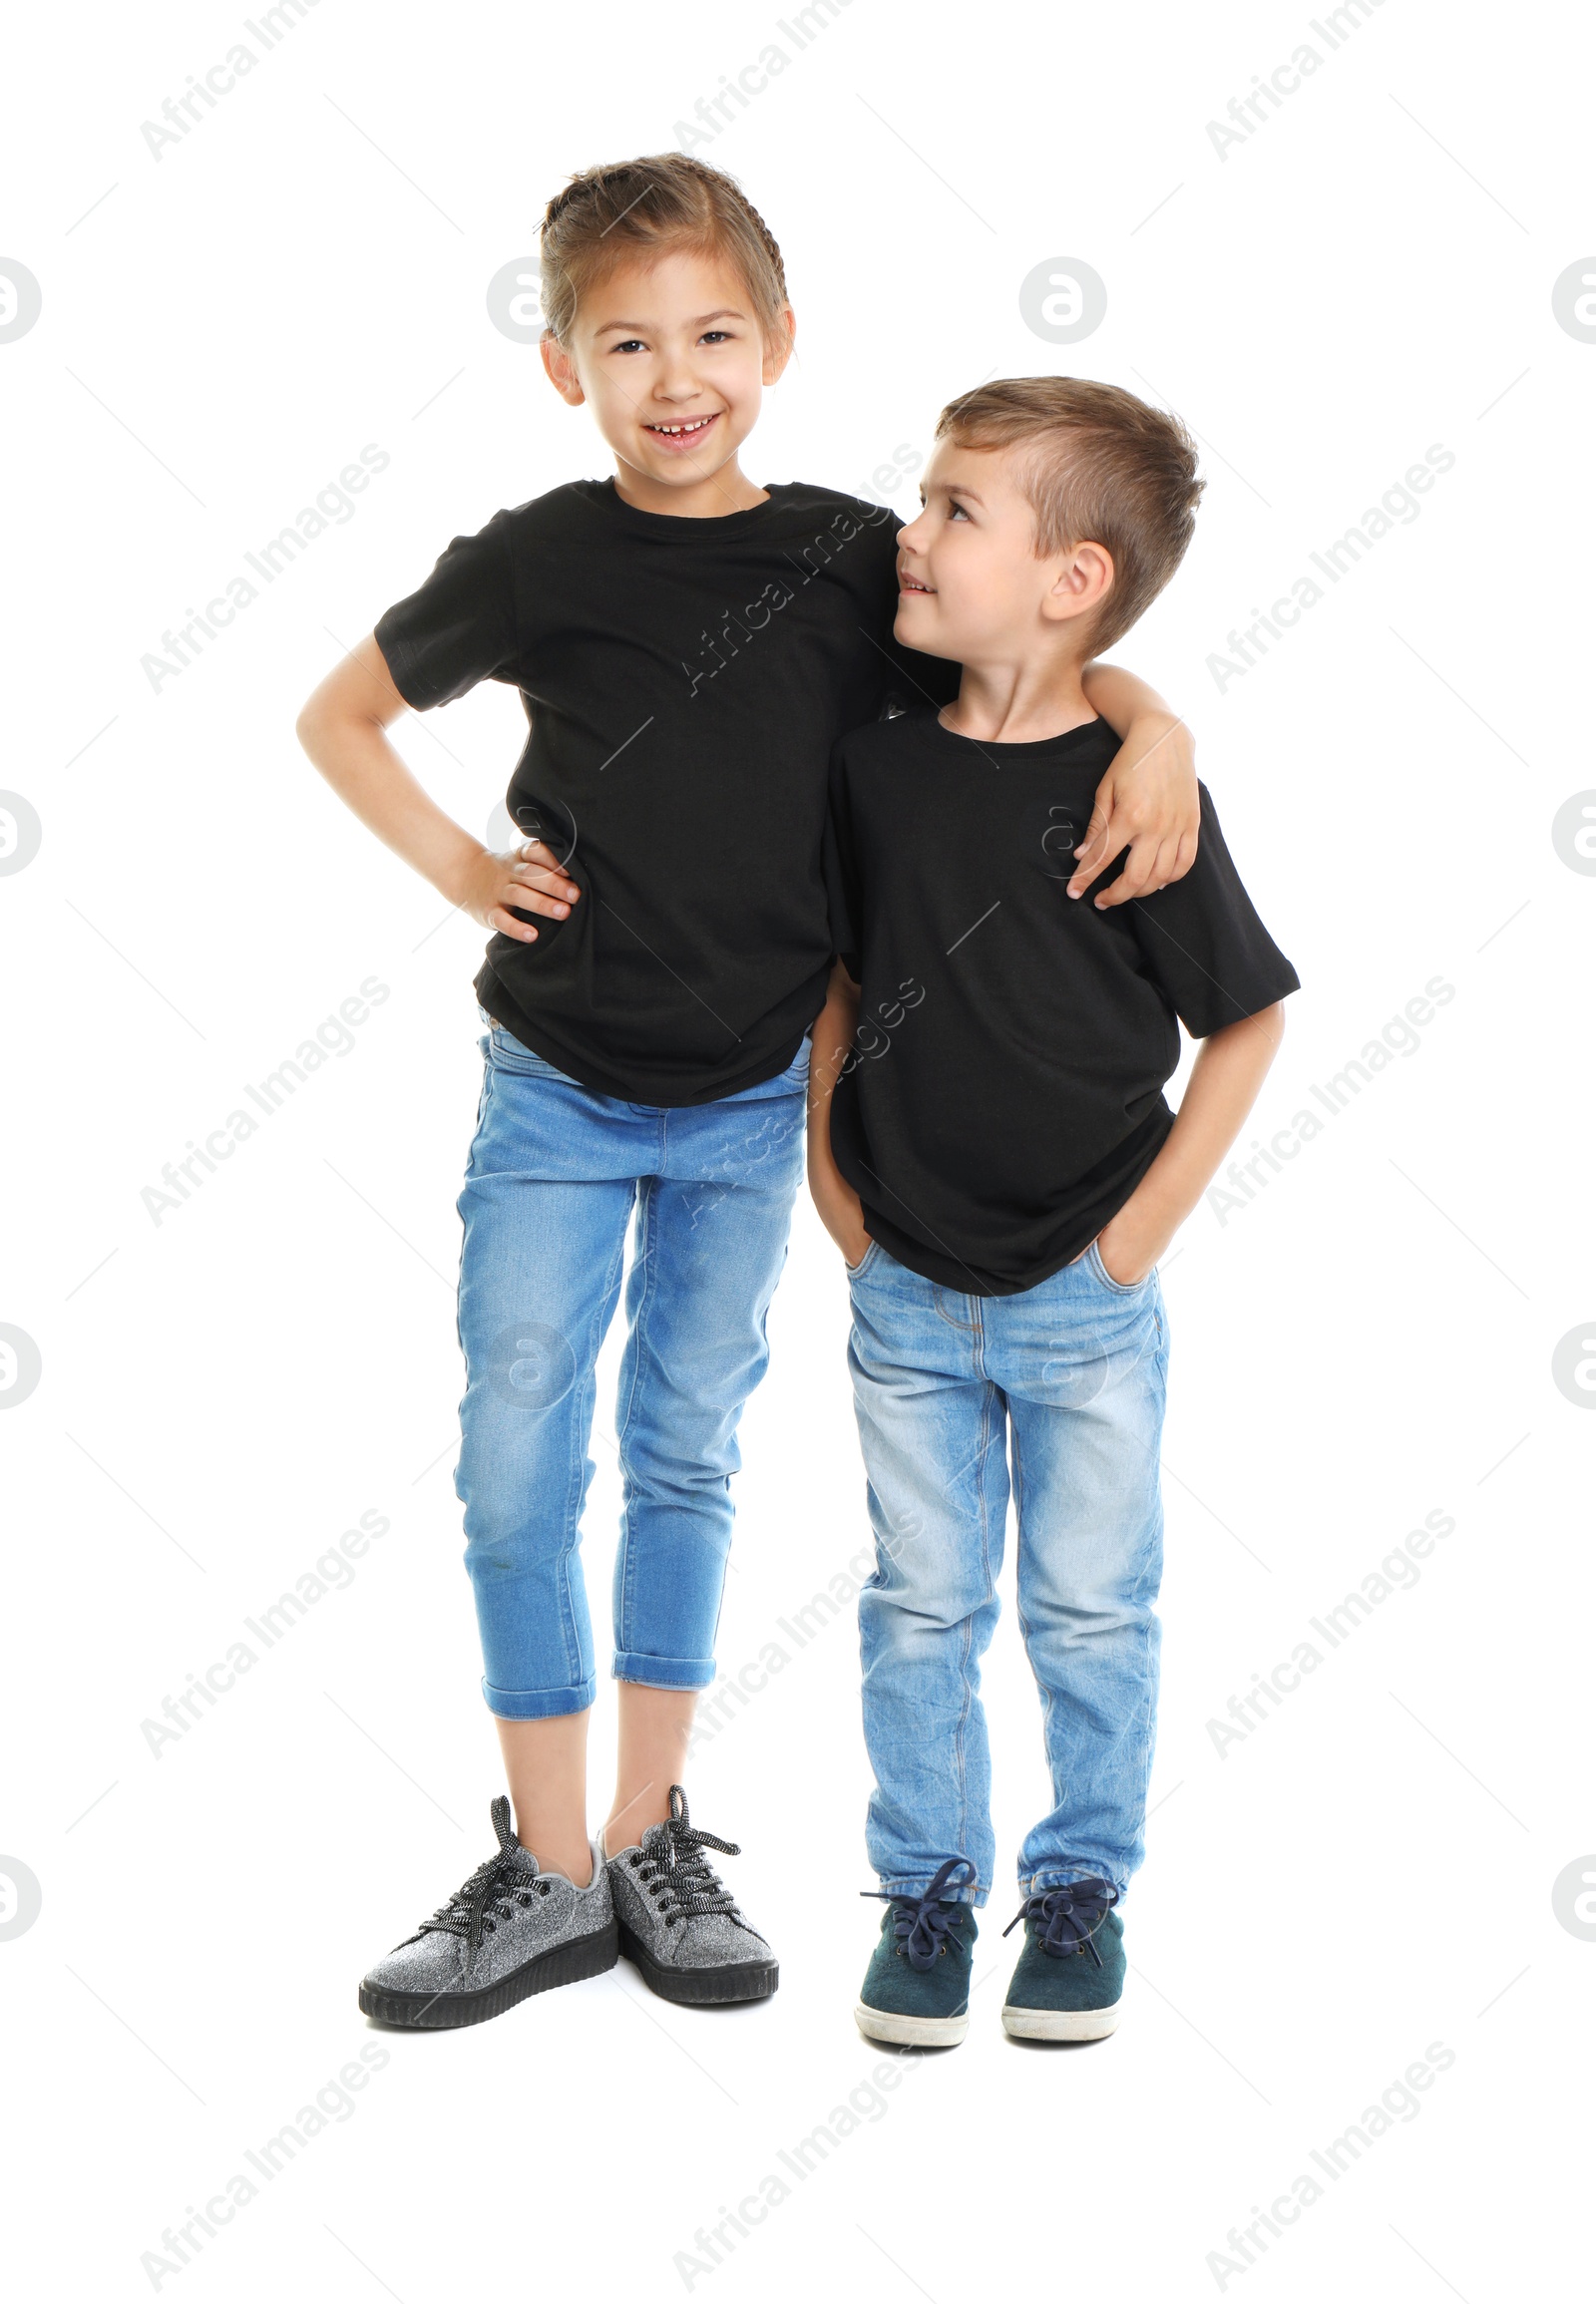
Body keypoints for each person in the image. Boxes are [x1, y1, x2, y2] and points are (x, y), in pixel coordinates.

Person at [297, 157, 1201, 2030]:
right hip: (556, 1084)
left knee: (689, 1451)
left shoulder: (848, 557)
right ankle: (546, 1868)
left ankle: (648, 1828)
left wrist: (1163, 722)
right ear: (564, 366)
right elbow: (341, 715)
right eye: (624, 341)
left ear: (778, 346)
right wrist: (469, 872)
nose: (673, 373)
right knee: (516, 1455)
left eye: (712, 332)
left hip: (739, 1114)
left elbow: (1036, 653)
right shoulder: (541, 557)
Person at [808, 376, 1299, 2046]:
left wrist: (1138, 1237)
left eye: (956, 508)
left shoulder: (1135, 790)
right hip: (905, 1284)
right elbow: (844, 973)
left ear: (1073, 578)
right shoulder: (872, 764)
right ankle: (929, 1893)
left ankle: (1077, 1888)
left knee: (1090, 1605)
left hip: (1088, 1284)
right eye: (922, 498)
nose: (913, 531)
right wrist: (833, 1175)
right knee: (917, 1605)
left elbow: (1246, 1018)